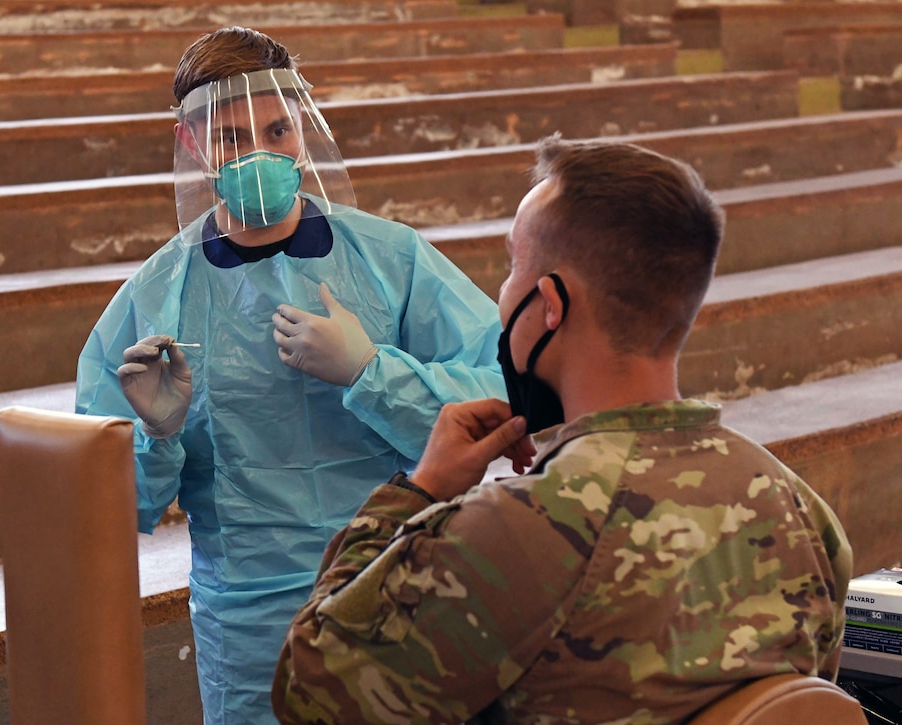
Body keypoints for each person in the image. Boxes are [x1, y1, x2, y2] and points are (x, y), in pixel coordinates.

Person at [273, 137, 854, 724]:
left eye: (512, 266)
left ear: (549, 304)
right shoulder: (801, 512)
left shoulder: (524, 530)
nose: (503, 293)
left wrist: (417, 494)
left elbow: (311, 690)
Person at [74, 26, 506, 725]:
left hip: (399, 586)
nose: (262, 154)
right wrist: (158, 435)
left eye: (278, 129)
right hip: (252, 631)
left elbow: (498, 396)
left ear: (303, 125)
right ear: (191, 145)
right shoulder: (157, 298)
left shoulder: (391, 261)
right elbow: (110, 509)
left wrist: (374, 372)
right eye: (232, 139)